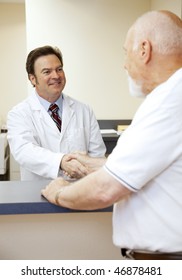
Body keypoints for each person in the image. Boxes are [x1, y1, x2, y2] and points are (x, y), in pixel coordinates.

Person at [41, 10, 182, 260]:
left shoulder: (169, 101)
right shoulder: (172, 96)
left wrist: (59, 191)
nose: (124, 64)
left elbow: (105, 190)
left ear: (144, 50)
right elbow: (148, 164)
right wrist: (94, 163)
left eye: (126, 52)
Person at [7, 46, 106, 181]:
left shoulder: (84, 110)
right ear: (33, 79)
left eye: (59, 69)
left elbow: (97, 156)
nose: (56, 76)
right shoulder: (18, 114)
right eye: (47, 72)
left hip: (80, 192)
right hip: (37, 194)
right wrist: (61, 161)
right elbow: (24, 151)